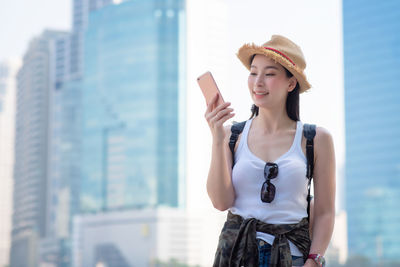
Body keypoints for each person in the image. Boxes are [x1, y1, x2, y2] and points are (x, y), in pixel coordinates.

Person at [204, 35, 335, 267]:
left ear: (291, 83)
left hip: (291, 256)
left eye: (270, 74)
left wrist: (314, 261)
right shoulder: (229, 135)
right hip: (236, 256)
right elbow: (220, 202)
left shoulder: (317, 139)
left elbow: (325, 212)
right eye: (253, 72)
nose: (258, 82)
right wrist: (216, 139)